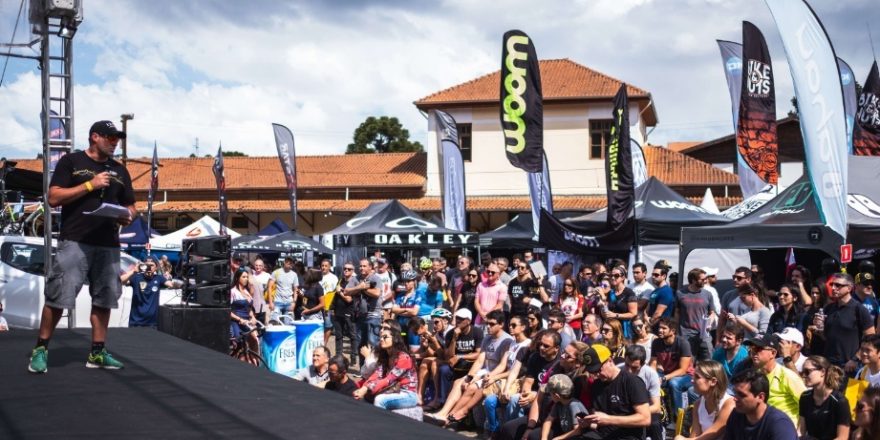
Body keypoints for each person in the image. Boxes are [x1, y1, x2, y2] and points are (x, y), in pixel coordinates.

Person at [28, 120, 136, 374]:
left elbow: (131, 205)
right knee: (58, 296)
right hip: (75, 240)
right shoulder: (72, 162)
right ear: (94, 137)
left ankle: (97, 353)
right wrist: (90, 185)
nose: (115, 142)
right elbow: (53, 197)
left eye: (117, 138)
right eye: (110, 137)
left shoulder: (120, 170)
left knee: (105, 299)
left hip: (108, 244)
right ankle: (41, 349)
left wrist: (128, 215)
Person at [436, 310, 514, 428]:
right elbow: (479, 360)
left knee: (471, 387)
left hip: (495, 375)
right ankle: (443, 413)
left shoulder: (506, 340)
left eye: (492, 324)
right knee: (459, 382)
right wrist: (470, 377)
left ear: (501, 324)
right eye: (487, 323)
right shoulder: (487, 338)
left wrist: (485, 377)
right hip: (484, 371)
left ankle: (450, 416)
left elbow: (502, 367)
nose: (488, 327)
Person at [576, 344, 652, 440]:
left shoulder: (632, 382)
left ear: (610, 361)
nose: (597, 374)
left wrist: (609, 419)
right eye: (593, 371)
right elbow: (598, 419)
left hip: (627, 436)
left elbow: (645, 418)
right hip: (602, 434)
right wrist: (589, 422)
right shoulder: (596, 385)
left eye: (599, 370)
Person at [814, 273, 876, 373]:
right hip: (829, 363)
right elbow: (826, 337)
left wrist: (855, 359)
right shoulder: (829, 308)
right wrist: (819, 328)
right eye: (832, 285)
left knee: (850, 389)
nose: (833, 288)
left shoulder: (859, 309)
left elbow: (871, 338)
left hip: (850, 365)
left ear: (849, 288)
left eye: (838, 285)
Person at [483, 314, 533, 437]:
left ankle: (507, 432)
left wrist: (496, 377)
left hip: (516, 383)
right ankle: (494, 430)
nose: (510, 327)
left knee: (511, 401)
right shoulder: (512, 342)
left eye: (514, 325)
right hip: (507, 381)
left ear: (523, 327)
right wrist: (491, 375)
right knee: (489, 401)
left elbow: (518, 371)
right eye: (509, 324)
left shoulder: (527, 345)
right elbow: (502, 365)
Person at [742, 333, 805, 426]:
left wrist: (800, 431)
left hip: (784, 428)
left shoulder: (787, 375)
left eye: (758, 348)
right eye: (751, 349)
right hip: (761, 427)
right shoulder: (751, 376)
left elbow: (806, 403)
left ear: (773, 353)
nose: (753, 352)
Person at [354, 328, 419, 410]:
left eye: (385, 337)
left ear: (395, 339)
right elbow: (377, 374)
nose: (381, 339)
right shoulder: (387, 356)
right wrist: (364, 387)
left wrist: (366, 389)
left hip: (408, 394)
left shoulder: (403, 358)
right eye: (380, 337)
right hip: (393, 390)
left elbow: (389, 379)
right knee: (364, 396)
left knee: (380, 400)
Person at [723, 369, 798, 440]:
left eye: (742, 395)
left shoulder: (779, 424)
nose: (735, 398)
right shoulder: (736, 415)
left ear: (760, 397)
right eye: (735, 393)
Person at [436, 308, 484, 410]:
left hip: (470, 365)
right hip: (455, 365)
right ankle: (443, 402)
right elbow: (449, 355)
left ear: (468, 321)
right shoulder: (451, 333)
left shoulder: (477, 332)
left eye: (461, 319)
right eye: (457, 318)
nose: (458, 321)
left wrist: (460, 356)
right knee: (444, 369)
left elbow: (478, 354)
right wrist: (454, 338)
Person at [676, 360, 734, 440]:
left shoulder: (729, 404)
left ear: (713, 381)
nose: (692, 380)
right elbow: (695, 434)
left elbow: (713, 433)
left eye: (697, 377)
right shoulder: (698, 404)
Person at [797, 355, 850, 440]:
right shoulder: (805, 397)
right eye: (802, 372)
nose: (804, 376)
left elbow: (842, 437)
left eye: (807, 371)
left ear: (822, 372)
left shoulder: (839, 401)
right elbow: (801, 430)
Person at [650, 316, 694, 415]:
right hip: (666, 374)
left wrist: (664, 378)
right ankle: (657, 414)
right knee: (649, 381)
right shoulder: (656, 342)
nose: (660, 330)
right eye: (659, 328)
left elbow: (683, 370)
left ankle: (678, 417)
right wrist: (653, 376)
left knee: (673, 383)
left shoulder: (683, 343)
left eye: (664, 328)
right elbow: (653, 362)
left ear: (672, 331)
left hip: (687, 376)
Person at [121, 256, 178, 327]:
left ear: (156, 267)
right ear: (143, 266)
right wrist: (133, 271)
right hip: (136, 322)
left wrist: (171, 279)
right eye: (147, 265)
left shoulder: (159, 278)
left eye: (151, 265)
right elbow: (120, 281)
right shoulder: (136, 277)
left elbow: (171, 284)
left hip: (152, 323)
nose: (149, 268)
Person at [676, 267, 716, 361]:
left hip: (704, 334)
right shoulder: (680, 293)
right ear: (693, 280)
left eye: (705, 278)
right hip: (686, 334)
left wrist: (709, 323)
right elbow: (677, 313)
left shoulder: (708, 294)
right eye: (702, 279)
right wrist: (677, 331)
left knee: (708, 361)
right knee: (688, 363)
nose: (705, 281)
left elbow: (712, 313)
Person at [625, 345, 663, 440]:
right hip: (624, 408)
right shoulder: (619, 370)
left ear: (643, 364)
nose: (629, 371)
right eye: (627, 365)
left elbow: (656, 407)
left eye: (634, 368)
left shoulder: (651, 374)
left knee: (655, 424)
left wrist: (638, 412)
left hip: (646, 407)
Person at [539, 374, 588, 440]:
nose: (549, 396)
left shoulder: (573, 405)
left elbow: (578, 430)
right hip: (566, 434)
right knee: (535, 435)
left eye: (550, 393)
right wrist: (544, 438)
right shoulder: (558, 404)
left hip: (578, 437)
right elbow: (548, 420)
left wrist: (558, 438)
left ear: (556, 396)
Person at [332, 262, 360, 368]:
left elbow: (349, 299)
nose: (346, 271)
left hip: (349, 312)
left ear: (352, 271)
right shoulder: (341, 281)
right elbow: (335, 297)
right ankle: (338, 356)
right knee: (338, 336)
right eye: (345, 269)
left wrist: (340, 292)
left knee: (352, 335)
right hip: (338, 312)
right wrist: (333, 309)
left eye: (349, 269)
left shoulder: (355, 283)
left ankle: (353, 357)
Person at [229, 270, 260, 363]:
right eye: (243, 277)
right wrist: (240, 319)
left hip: (247, 322)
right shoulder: (233, 292)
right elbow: (228, 311)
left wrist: (252, 317)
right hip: (237, 322)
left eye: (247, 277)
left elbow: (248, 308)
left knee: (255, 341)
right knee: (240, 346)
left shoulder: (246, 290)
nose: (246, 279)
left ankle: (254, 363)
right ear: (238, 278)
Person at [717, 267, 753, 346]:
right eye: (734, 277)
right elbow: (721, 320)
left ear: (748, 279)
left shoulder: (754, 296)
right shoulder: (728, 295)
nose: (735, 280)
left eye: (739, 278)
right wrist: (718, 340)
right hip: (729, 339)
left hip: (748, 340)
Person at [605, 266, 638, 339]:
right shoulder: (610, 292)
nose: (613, 278)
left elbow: (633, 313)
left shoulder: (629, 293)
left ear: (623, 277)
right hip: (612, 327)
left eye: (616, 276)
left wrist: (616, 315)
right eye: (611, 275)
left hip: (624, 328)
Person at [249, 256, 273, 324]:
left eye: (260, 265)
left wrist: (271, 303)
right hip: (254, 305)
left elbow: (271, 290)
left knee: (265, 323)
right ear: (254, 266)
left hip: (265, 305)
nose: (258, 267)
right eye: (256, 265)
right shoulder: (251, 277)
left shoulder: (268, 276)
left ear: (263, 266)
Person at [319, 259, 338, 345]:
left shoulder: (334, 278)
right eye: (322, 265)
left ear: (329, 267)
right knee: (319, 325)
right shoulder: (317, 276)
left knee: (328, 325)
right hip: (318, 305)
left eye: (326, 266)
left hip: (328, 306)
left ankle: (324, 343)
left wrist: (333, 307)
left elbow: (335, 292)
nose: (324, 267)